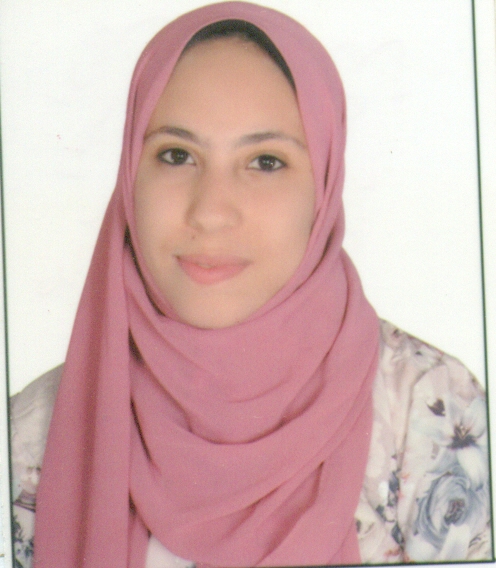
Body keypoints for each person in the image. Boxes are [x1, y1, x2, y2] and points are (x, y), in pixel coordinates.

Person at [9, 2, 491, 567]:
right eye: (176, 155)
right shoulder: (33, 435)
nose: (211, 211)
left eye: (265, 162)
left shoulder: (430, 412)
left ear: (324, 187)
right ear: (130, 177)